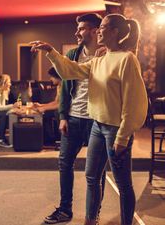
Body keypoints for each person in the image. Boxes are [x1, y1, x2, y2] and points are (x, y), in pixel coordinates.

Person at [31, 14, 148, 225]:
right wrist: (51, 52)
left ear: (114, 32)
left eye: (102, 27)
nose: (99, 31)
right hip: (97, 126)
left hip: (115, 130)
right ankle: (90, 221)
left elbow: (135, 103)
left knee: (123, 185)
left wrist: (123, 136)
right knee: (92, 177)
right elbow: (71, 71)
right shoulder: (99, 58)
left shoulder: (127, 60)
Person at [43, 13, 107, 224]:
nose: (76, 32)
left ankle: (93, 213)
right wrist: (63, 116)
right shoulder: (72, 54)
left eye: (81, 28)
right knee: (64, 163)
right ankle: (64, 209)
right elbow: (64, 90)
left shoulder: (108, 55)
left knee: (97, 171)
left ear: (95, 30)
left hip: (98, 121)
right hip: (73, 119)